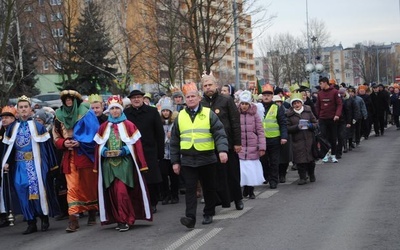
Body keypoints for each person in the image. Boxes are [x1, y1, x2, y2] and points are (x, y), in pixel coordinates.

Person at [170, 88, 228, 228]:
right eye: (188, 97)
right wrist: (175, 161)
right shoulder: (180, 116)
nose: (190, 99)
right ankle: (190, 218)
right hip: (188, 159)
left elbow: (219, 133)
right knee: (190, 189)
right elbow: (174, 141)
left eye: (192, 96)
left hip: (207, 157)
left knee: (209, 188)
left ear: (199, 98)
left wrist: (222, 150)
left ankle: (209, 212)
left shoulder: (209, 114)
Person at [1, 96, 59, 234]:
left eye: (25, 107)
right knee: (21, 190)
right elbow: (8, 148)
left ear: (30, 109)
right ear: (17, 110)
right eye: (20, 107)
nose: (23, 110)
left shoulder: (38, 126)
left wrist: (51, 165)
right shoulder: (12, 128)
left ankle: (43, 217)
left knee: (37, 192)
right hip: (19, 165)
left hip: (36, 164)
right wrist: (7, 162)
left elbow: (47, 147)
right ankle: (30, 221)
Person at [94, 95, 152, 232]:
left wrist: (124, 150)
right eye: (112, 109)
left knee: (122, 192)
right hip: (108, 166)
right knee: (113, 193)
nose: (114, 111)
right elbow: (98, 146)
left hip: (124, 164)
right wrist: (104, 152)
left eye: (117, 108)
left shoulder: (129, 125)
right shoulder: (103, 127)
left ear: (121, 110)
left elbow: (136, 145)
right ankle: (119, 219)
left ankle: (127, 219)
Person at [53, 89, 100, 232]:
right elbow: (56, 136)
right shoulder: (58, 116)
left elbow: (95, 134)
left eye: (71, 99)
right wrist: (63, 143)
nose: (68, 101)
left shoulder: (86, 112)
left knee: (88, 186)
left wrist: (81, 143)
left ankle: (92, 211)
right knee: (72, 187)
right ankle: (73, 220)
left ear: (76, 100)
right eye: (66, 99)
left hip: (85, 155)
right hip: (69, 157)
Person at [201, 73, 243, 210]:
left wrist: (237, 142)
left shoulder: (226, 100)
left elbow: (235, 122)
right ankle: (219, 202)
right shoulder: (201, 103)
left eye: (210, 85)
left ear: (216, 85)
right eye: (205, 86)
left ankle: (238, 199)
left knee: (232, 174)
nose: (208, 88)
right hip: (209, 145)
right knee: (215, 176)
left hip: (228, 143)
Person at [124, 89, 164, 214]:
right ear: (130, 100)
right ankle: (139, 203)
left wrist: (160, 153)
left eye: (139, 97)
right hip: (132, 151)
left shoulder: (152, 112)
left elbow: (159, 133)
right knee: (135, 179)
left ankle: (152, 202)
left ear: (143, 98)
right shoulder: (126, 113)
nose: (136, 100)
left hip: (149, 150)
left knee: (151, 179)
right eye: (134, 98)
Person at [237, 91, 266, 199]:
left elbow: (260, 131)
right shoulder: (236, 115)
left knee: (251, 169)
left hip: (252, 145)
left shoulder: (255, 115)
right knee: (242, 169)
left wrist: (262, 146)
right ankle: (244, 187)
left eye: (246, 104)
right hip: (241, 146)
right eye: (242, 104)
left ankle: (251, 190)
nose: (244, 106)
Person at [259, 84, 288, 189]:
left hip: (274, 139)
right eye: (264, 95)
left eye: (268, 95)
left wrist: (283, 137)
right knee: (263, 161)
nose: (266, 97)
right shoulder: (258, 107)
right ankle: (267, 176)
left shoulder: (277, 108)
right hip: (261, 140)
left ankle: (273, 180)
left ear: (272, 97)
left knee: (274, 161)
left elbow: (282, 123)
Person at [286, 93, 318, 185]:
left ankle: (311, 174)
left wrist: (310, 125)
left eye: (298, 103)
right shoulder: (289, 114)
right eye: (294, 103)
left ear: (301, 103)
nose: (296, 105)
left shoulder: (308, 111)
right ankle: (302, 177)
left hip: (309, 139)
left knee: (311, 160)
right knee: (300, 161)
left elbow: (315, 123)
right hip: (297, 140)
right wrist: (297, 127)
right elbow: (288, 128)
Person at [315, 77, 342, 163]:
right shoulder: (320, 93)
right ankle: (325, 155)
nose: (320, 85)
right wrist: (317, 117)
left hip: (332, 118)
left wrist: (337, 115)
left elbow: (339, 104)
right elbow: (318, 106)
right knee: (323, 137)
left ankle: (333, 155)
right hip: (323, 118)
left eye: (321, 83)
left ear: (325, 83)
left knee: (333, 137)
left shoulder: (335, 92)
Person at [158, 98, 180, 205]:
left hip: (173, 153)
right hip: (163, 154)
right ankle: (165, 194)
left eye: (167, 111)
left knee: (174, 175)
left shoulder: (175, 123)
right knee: (163, 175)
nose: (165, 113)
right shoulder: (159, 123)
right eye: (164, 111)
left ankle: (174, 194)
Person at [0, 106, 17, 228]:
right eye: (3, 117)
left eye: (7, 117)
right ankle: (4, 213)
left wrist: (9, 162)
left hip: (13, 164)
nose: (4, 120)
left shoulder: (14, 130)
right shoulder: (2, 131)